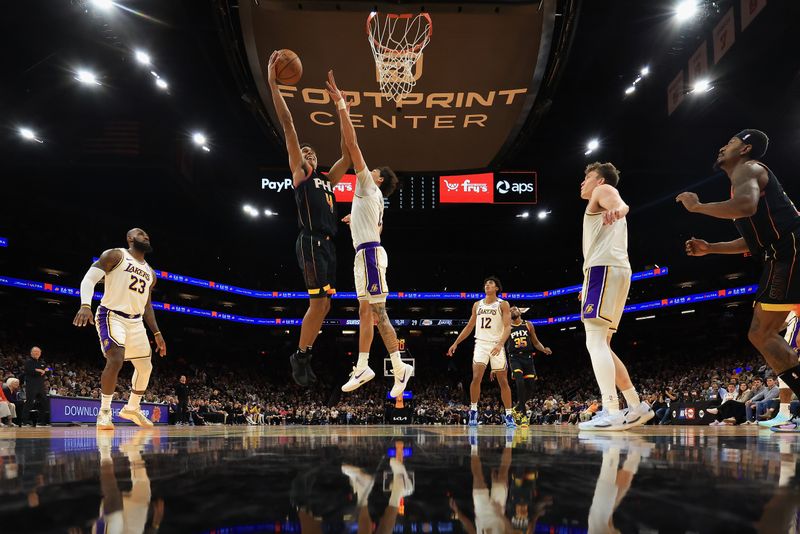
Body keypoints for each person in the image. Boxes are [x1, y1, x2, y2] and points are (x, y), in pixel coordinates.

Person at [677, 129, 800, 431]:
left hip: (791, 252)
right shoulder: (742, 183)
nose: (722, 146)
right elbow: (751, 242)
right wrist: (711, 248)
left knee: (762, 332)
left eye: (730, 142)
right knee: (762, 333)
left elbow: (746, 206)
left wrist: (698, 207)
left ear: (745, 149)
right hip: (781, 254)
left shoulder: (749, 169)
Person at [267, 51, 352, 387]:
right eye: (303, 151)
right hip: (311, 240)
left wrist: (341, 108)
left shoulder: (328, 179)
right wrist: (275, 86)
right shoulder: (301, 174)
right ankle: (300, 357)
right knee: (318, 303)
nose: (308, 153)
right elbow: (288, 125)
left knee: (326, 306)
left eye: (311, 152)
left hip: (328, 244)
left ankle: (304, 352)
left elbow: (348, 153)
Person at [323, 71, 410, 399]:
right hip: (366, 251)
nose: (367, 168)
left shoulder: (369, 185)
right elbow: (378, 227)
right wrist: (355, 220)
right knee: (364, 311)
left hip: (370, 254)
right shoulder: (373, 199)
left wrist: (341, 105)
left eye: (373, 170)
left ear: (379, 178)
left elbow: (352, 144)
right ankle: (363, 365)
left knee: (377, 313)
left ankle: (399, 367)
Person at [578, 162, 653, 431]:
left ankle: (611, 410)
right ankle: (636, 406)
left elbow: (620, 204)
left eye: (587, 178)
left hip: (604, 269)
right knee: (604, 345)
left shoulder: (604, 190)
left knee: (594, 341)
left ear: (599, 181)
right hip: (613, 270)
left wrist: (619, 210)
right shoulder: (600, 201)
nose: (582, 183)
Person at [73, 228, 167, 430]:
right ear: (130, 238)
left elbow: (147, 306)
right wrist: (85, 305)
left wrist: (157, 333)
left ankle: (132, 408)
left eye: (148, 235)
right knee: (116, 358)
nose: (146, 236)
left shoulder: (151, 273)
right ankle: (104, 413)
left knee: (146, 367)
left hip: (136, 322)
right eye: (141, 234)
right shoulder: (115, 255)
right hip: (111, 314)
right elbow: (89, 279)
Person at [448, 277, 516, 428]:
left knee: (503, 381)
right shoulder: (477, 304)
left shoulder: (503, 304)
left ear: (497, 288)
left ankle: (509, 415)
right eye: (486, 283)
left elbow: (507, 327)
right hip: (481, 343)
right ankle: (473, 411)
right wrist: (456, 342)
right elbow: (469, 326)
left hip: (496, 344)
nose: (487, 285)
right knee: (476, 377)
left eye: (491, 283)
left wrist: (500, 344)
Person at [506, 306, 552, 427]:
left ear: (519, 312)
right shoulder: (507, 327)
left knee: (530, 388)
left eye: (514, 309)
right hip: (514, 358)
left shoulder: (528, 324)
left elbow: (535, 342)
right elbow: (500, 343)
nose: (512, 310)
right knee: (520, 383)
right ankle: (523, 415)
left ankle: (516, 409)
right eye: (510, 310)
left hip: (528, 358)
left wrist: (543, 349)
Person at [21, 347, 48, 426]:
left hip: (41, 386)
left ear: (40, 353)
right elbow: (30, 370)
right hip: (31, 385)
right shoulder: (28, 362)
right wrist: (41, 371)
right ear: (31, 353)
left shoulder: (42, 362)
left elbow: (49, 370)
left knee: (44, 403)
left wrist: (43, 370)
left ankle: (42, 421)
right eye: (35, 352)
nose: (36, 353)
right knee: (29, 402)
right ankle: (24, 421)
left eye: (38, 352)